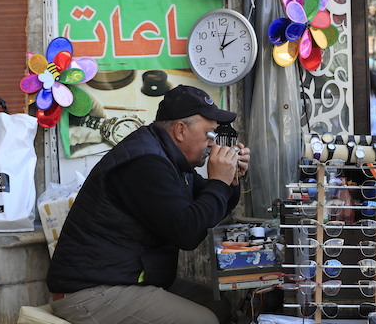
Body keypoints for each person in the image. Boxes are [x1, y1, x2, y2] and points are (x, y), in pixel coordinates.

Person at [46, 85, 250, 324]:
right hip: (90, 291)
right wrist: (219, 181)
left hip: (128, 278)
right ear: (181, 130)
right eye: (209, 135)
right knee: (204, 321)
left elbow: (207, 204)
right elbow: (188, 232)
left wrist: (230, 179)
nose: (213, 145)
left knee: (218, 305)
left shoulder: (168, 158)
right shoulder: (145, 162)